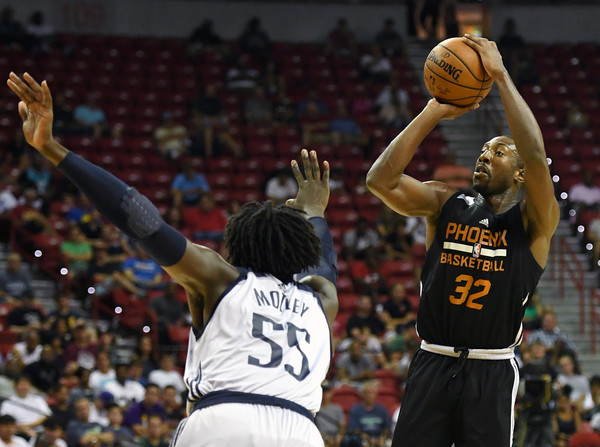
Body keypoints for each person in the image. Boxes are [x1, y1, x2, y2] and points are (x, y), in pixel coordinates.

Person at [7, 72, 338, 447]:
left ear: (239, 245)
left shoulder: (220, 278)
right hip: (301, 431)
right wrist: (315, 212)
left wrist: (52, 149)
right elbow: (325, 265)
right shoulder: (320, 300)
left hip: (224, 420)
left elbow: (140, 218)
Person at [365, 34, 560, 447]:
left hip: (491, 371)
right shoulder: (445, 201)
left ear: (520, 173)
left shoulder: (533, 223)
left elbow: (538, 157)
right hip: (433, 358)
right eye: (483, 151)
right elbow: (379, 181)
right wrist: (432, 111)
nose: (484, 156)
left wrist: (501, 76)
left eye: (498, 152)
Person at [342, 381, 391, 447]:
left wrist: (382, 437)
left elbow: (387, 428)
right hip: (361, 439)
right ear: (362, 394)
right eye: (367, 393)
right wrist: (367, 438)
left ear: (376, 394)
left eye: (372, 393)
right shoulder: (355, 409)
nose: (369, 396)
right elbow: (354, 429)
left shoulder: (382, 409)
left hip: (379, 438)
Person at [315, 381, 346, 447]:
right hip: (321, 436)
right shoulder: (314, 409)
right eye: (323, 391)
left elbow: (342, 426)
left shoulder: (337, 408)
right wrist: (323, 436)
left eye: (327, 392)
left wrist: (339, 436)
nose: (324, 394)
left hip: (335, 435)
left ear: (331, 393)